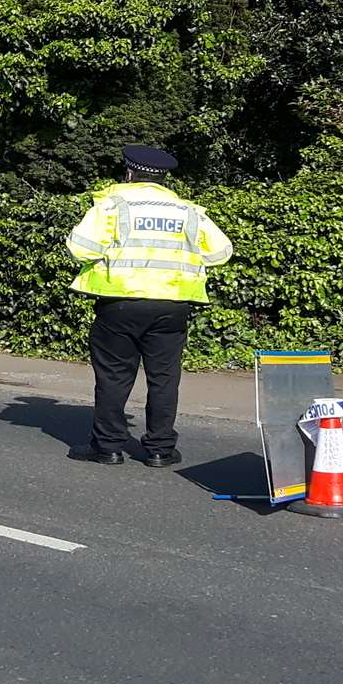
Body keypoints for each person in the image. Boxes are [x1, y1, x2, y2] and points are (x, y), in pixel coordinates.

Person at [65, 145, 232, 467]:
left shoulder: (111, 206)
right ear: (163, 178)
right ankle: (160, 449)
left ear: (129, 173)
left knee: (114, 376)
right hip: (173, 303)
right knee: (164, 378)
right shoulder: (189, 211)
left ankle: (108, 447)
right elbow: (221, 253)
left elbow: (79, 248)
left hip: (121, 302)